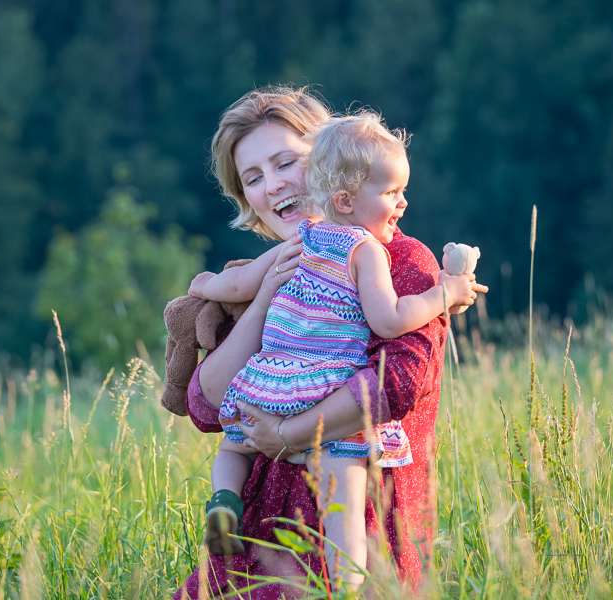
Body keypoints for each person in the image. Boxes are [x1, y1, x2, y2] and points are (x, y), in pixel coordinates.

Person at [174, 86, 488, 599]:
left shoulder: (397, 261)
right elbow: (206, 406)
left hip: (358, 535)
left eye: (284, 163)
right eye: (253, 177)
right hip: (257, 544)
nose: (273, 186)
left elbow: (396, 384)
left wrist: (287, 433)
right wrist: (262, 300)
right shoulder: (269, 273)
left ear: (329, 163)